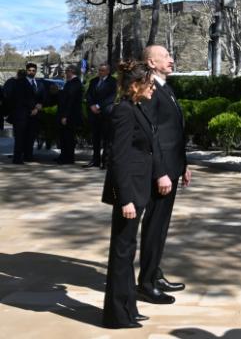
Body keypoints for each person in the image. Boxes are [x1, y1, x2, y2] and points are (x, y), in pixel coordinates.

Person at [101, 60, 156, 329]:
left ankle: (128, 307)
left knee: (127, 250)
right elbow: (119, 158)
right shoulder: (123, 111)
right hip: (129, 193)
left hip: (138, 190)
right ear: (135, 86)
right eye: (149, 83)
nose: (153, 88)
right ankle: (117, 315)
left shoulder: (135, 108)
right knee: (122, 252)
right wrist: (125, 199)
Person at [137, 45, 188, 304]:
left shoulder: (166, 87)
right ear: (151, 62)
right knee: (154, 225)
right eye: (166, 56)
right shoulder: (150, 90)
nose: (171, 59)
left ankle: (155, 274)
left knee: (161, 226)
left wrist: (184, 164)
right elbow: (151, 135)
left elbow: (175, 131)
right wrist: (160, 172)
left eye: (170, 54)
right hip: (161, 171)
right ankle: (146, 284)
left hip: (173, 166)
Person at [9, 63, 45, 164]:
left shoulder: (40, 83)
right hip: (22, 114)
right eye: (30, 70)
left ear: (36, 71)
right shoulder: (20, 82)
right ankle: (17, 158)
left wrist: (40, 105)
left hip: (35, 115)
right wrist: (32, 108)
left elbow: (43, 97)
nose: (31, 72)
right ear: (26, 70)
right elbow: (20, 98)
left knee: (31, 136)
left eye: (33, 70)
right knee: (20, 137)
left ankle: (28, 156)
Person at [85, 63, 117, 168]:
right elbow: (88, 95)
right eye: (99, 70)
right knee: (95, 138)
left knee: (106, 138)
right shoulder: (94, 81)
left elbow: (111, 97)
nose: (100, 72)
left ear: (108, 71)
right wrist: (91, 106)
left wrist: (98, 106)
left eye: (103, 70)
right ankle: (95, 160)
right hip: (93, 114)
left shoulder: (113, 82)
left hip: (105, 113)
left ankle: (105, 161)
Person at [55, 64, 83, 164]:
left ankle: (68, 158)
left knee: (68, 138)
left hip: (70, 116)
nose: (65, 73)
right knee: (63, 137)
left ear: (72, 71)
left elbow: (70, 101)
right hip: (66, 114)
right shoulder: (70, 83)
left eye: (67, 71)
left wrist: (65, 116)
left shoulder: (75, 83)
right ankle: (63, 156)